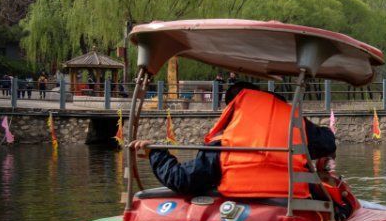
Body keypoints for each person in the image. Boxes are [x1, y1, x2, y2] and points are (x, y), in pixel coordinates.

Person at [130, 81, 337, 199]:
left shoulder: (223, 142)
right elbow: (328, 142)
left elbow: (183, 180)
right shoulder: (295, 126)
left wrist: (155, 153)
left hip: (240, 211)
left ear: (230, 110)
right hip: (289, 208)